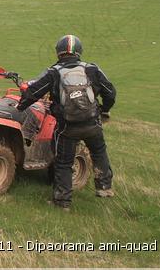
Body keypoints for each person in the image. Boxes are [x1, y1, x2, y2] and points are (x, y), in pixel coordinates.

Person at [17, 34, 116, 210]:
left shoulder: (54, 72)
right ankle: (104, 187)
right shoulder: (92, 69)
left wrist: (20, 106)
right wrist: (104, 109)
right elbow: (110, 92)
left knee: (63, 163)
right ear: (79, 51)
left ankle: (62, 202)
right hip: (93, 124)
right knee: (99, 151)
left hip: (67, 128)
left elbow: (33, 92)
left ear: (58, 52)